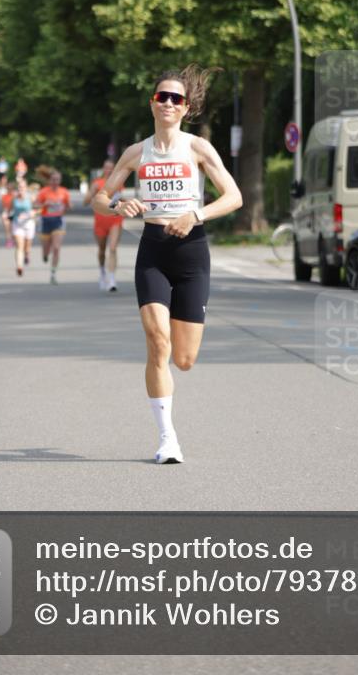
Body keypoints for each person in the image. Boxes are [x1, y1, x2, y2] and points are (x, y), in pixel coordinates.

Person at [92, 64, 242, 464]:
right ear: (152, 104)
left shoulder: (197, 148)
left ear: (185, 107)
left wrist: (197, 215)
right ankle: (167, 439)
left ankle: (170, 415)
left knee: (184, 359)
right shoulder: (135, 152)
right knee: (157, 341)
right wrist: (119, 203)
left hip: (192, 251)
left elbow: (234, 197)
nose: (169, 103)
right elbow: (99, 198)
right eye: (163, 97)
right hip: (153, 251)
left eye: (177, 98)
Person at [84, 158, 125, 292]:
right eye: (106, 168)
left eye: (111, 168)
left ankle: (111, 279)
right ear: (103, 169)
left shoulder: (118, 183)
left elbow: (121, 199)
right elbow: (86, 201)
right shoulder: (97, 183)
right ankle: (102, 272)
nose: (109, 170)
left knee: (112, 248)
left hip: (115, 219)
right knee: (102, 250)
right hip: (100, 220)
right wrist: (93, 192)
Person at [36, 170, 71, 284]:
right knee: (46, 249)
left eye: (57, 179)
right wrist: (44, 204)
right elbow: (35, 204)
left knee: (56, 248)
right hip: (45, 220)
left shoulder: (64, 192)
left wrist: (67, 206)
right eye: (53, 179)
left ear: (60, 181)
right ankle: (45, 255)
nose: (55, 182)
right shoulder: (43, 192)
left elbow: (68, 205)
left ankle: (53, 273)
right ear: (49, 180)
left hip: (58, 221)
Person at [9, 180, 37, 276]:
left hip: (29, 224)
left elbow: (39, 208)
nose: (21, 189)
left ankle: (27, 254)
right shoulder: (14, 198)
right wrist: (6, 215)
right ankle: (19, 266)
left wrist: (33, 213)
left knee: (27, 247)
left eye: (23, 187)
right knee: (19, 246)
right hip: (17, 224)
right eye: (19, 187)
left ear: (26, 188)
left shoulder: (31, 198)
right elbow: (9, 210)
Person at [0, 181, 16, 248]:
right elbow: (4, 207)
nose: (10, 190)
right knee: (7, 225)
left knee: (14, 228)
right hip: (8, 213)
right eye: (8, 188)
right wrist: (5, 213)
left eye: (11, 188)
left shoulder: (16, 196)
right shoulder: (4, 197)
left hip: (16, 213)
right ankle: (9, 240)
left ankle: (15, 239)